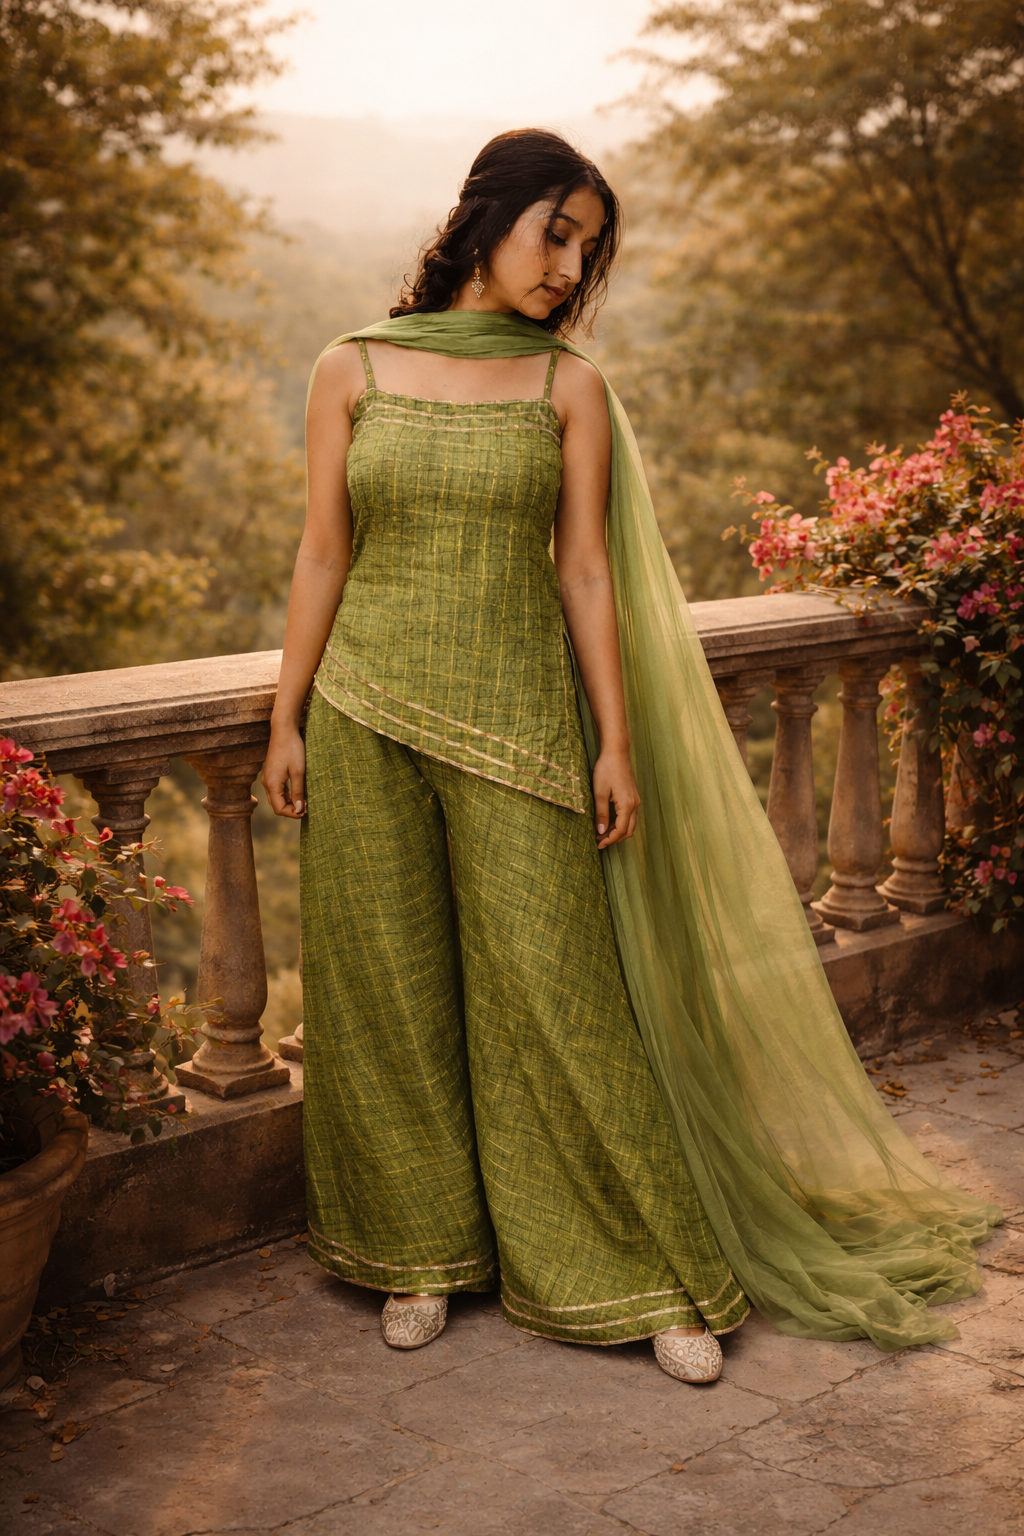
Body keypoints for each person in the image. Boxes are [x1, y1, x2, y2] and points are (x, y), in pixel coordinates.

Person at [262, 129, 1000, 1385]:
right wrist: (286, 716)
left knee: (559, 997)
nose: (568, 268)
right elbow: (324, 551)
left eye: (587, 249)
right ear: (484, 216)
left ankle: (642, 1266)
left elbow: (585, 571)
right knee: (384, 987)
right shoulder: (353, 366)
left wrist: (613, 740)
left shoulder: (568, 385)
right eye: (554, 233)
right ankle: (418, 1253)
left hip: (519, 721)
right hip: (363, 707)